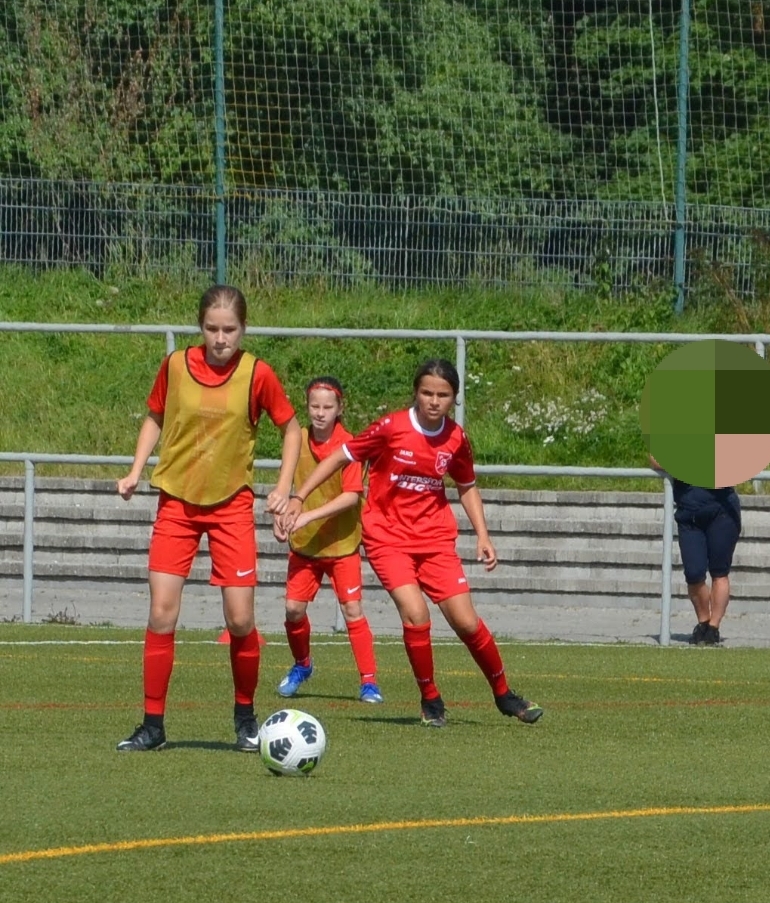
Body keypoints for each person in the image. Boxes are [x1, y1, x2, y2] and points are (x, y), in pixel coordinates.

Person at [277, 360, 541, 727]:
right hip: (387, 538)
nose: (434, 400)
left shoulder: (456, 438)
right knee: (416, 614)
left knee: (466, 621)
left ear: (454, 398)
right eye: (427, 392)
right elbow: (341, 455)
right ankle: (430, 699)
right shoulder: (391, 427)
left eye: (442, 395)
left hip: (435, 539)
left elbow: (466, 485)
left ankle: (504, 694)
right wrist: (298, 497)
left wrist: (482, 534)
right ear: (416, 393)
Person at [114, 286, 300, 754]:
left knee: (240, 619)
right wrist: (136, 470)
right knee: (161, 613)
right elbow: (155, 416)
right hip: (176, 504)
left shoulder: (257, 373)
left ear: (244, 329)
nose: (220, 338)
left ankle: (246, 719)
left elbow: (292, 429)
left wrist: (283, 487)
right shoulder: (176, 365)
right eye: (212, 329)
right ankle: (152, 726)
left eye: (229, 329)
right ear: (200, 327)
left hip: (231, 506)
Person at [275, 377, 384, 704]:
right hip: (305, 544)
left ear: (339, 409)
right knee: (293, 609)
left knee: (352, 609)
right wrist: (281, 517)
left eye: (327, 407)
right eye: (314, 406)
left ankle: (369, 682)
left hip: (341, 545)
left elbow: (351, 497)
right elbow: (286, 485)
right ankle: (302, 665)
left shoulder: (349, 445)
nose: (320, 413)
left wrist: (308, 515)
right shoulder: (297, 439)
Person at [652, 457, 741, 646]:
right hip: (689, 513)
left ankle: (713, 628)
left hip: (722, 511)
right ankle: (703, 622)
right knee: (693, 573)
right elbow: (655, 458)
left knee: (720, 572)